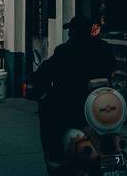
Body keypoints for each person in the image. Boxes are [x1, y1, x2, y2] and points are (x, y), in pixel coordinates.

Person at [32, 15, 118, 164]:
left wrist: (34, 81)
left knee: (46, 109)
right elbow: (112, 67)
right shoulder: (103, 48)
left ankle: (55, 155)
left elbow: (46, 71)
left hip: (72, 107)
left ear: (73, 32)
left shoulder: (65, 51)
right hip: (101, 105)